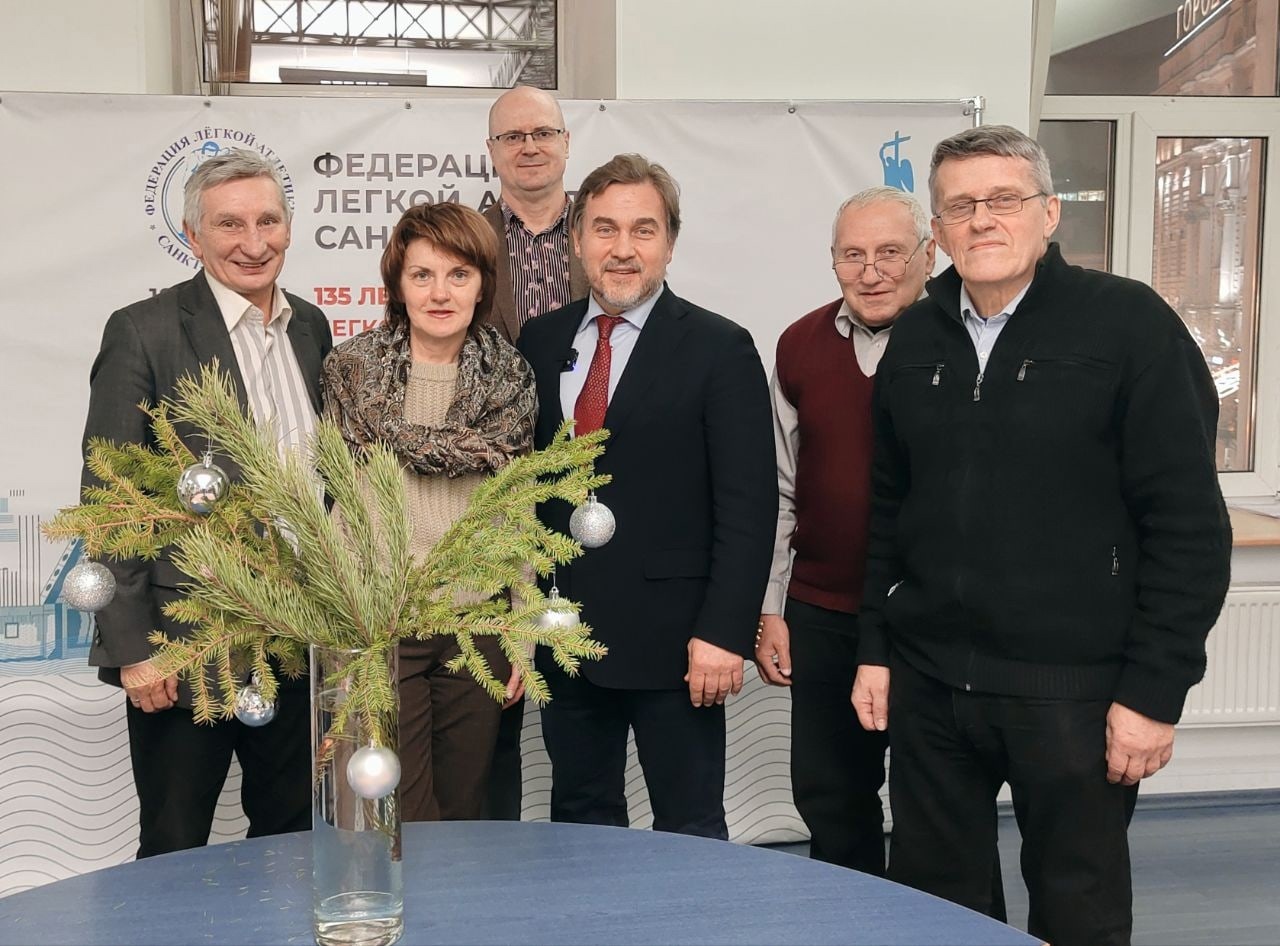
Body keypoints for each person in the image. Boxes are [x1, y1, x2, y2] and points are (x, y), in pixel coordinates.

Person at [851, 125, 1232, 945]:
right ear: (937, 231)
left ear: (1049, 212)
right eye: (961, 206)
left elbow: (1188, 527)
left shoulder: (1129, 326)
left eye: (1004, 199)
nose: (982, 219)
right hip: (930, 685)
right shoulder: (915, 338)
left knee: (1078, 912)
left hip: (1073, 691)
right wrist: (875, 647)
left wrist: (1153, 693)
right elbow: (888, 510)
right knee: (936, 914)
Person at [80, 148, 332, 857]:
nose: (254, 242)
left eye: (268, 221)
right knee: (173, 846)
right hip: (182, 643)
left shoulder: (311, 327)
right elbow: (110, 497)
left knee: (291, 843)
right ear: (193, 236)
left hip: (296, 636)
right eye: (229, 224)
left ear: (288, 227)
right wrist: (134, 650)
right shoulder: (144, 330)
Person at [517, 153, 777, 840]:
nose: (623, 249)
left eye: (643, 230)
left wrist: (724, 633)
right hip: (565, 637)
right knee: (579, 824)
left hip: (679, 646)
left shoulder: (721, 347)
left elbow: (749, 508)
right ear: (577, 240)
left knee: (690, 829)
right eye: (605, 229)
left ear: (670, 242)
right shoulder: (539, 342)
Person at [321, 202, 537, 822]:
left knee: (466, 811)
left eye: (458, 274)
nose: (440, 293)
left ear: (483, 285)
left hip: (478, 627)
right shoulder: (351, 372)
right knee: (399, 813)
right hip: (383, 624)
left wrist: (523, 631)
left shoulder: (511, 379)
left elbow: (517, 510)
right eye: (422, 275)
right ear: (397, 285)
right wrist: (345, 629)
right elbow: (341, 503)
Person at [754, 186, 933, 874]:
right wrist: (771, 607)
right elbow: (779, 487)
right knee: (830, 793)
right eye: (853, 255)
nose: (871, 271)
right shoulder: (799, 345)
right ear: (832, 261)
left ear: (928, 255)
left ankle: (927, 923)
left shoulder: (959, 343)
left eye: (890, 253)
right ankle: (847, 915)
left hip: (926, 618)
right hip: (822, 612)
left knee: (934, 801)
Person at [480, 85, 590, 820]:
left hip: (590, 487)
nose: (529, 146)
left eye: (543, 132)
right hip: (489, 491)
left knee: (583, 699)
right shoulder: (466, 238)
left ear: (566, 143)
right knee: (490, 707)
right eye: (512, 136)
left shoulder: (605, 231)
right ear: (491, 152)